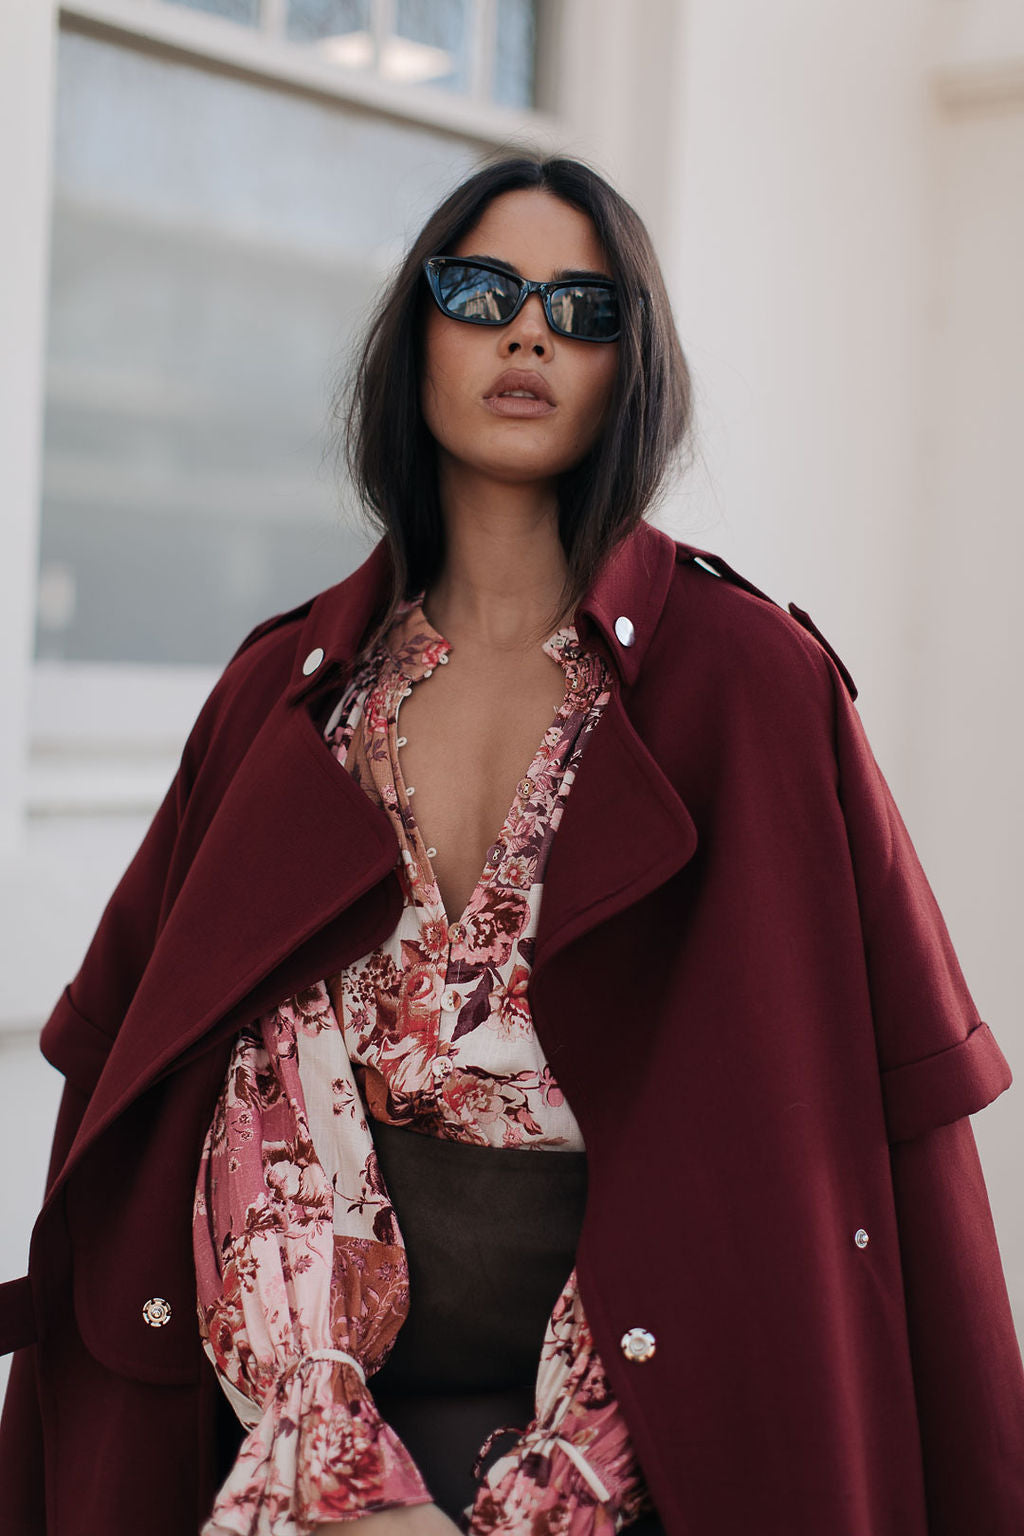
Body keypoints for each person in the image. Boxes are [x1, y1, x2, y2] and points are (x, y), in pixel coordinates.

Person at [1, 151, 1022, 1536]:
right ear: (416, 334)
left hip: (658, 1425)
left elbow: (887, 1123)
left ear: (628, 365)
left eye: (583, 308)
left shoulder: (756, 682)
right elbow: (144, 1076)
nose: (528, 329)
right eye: (481, 290)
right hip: (293, 1441)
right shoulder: (284, 692)